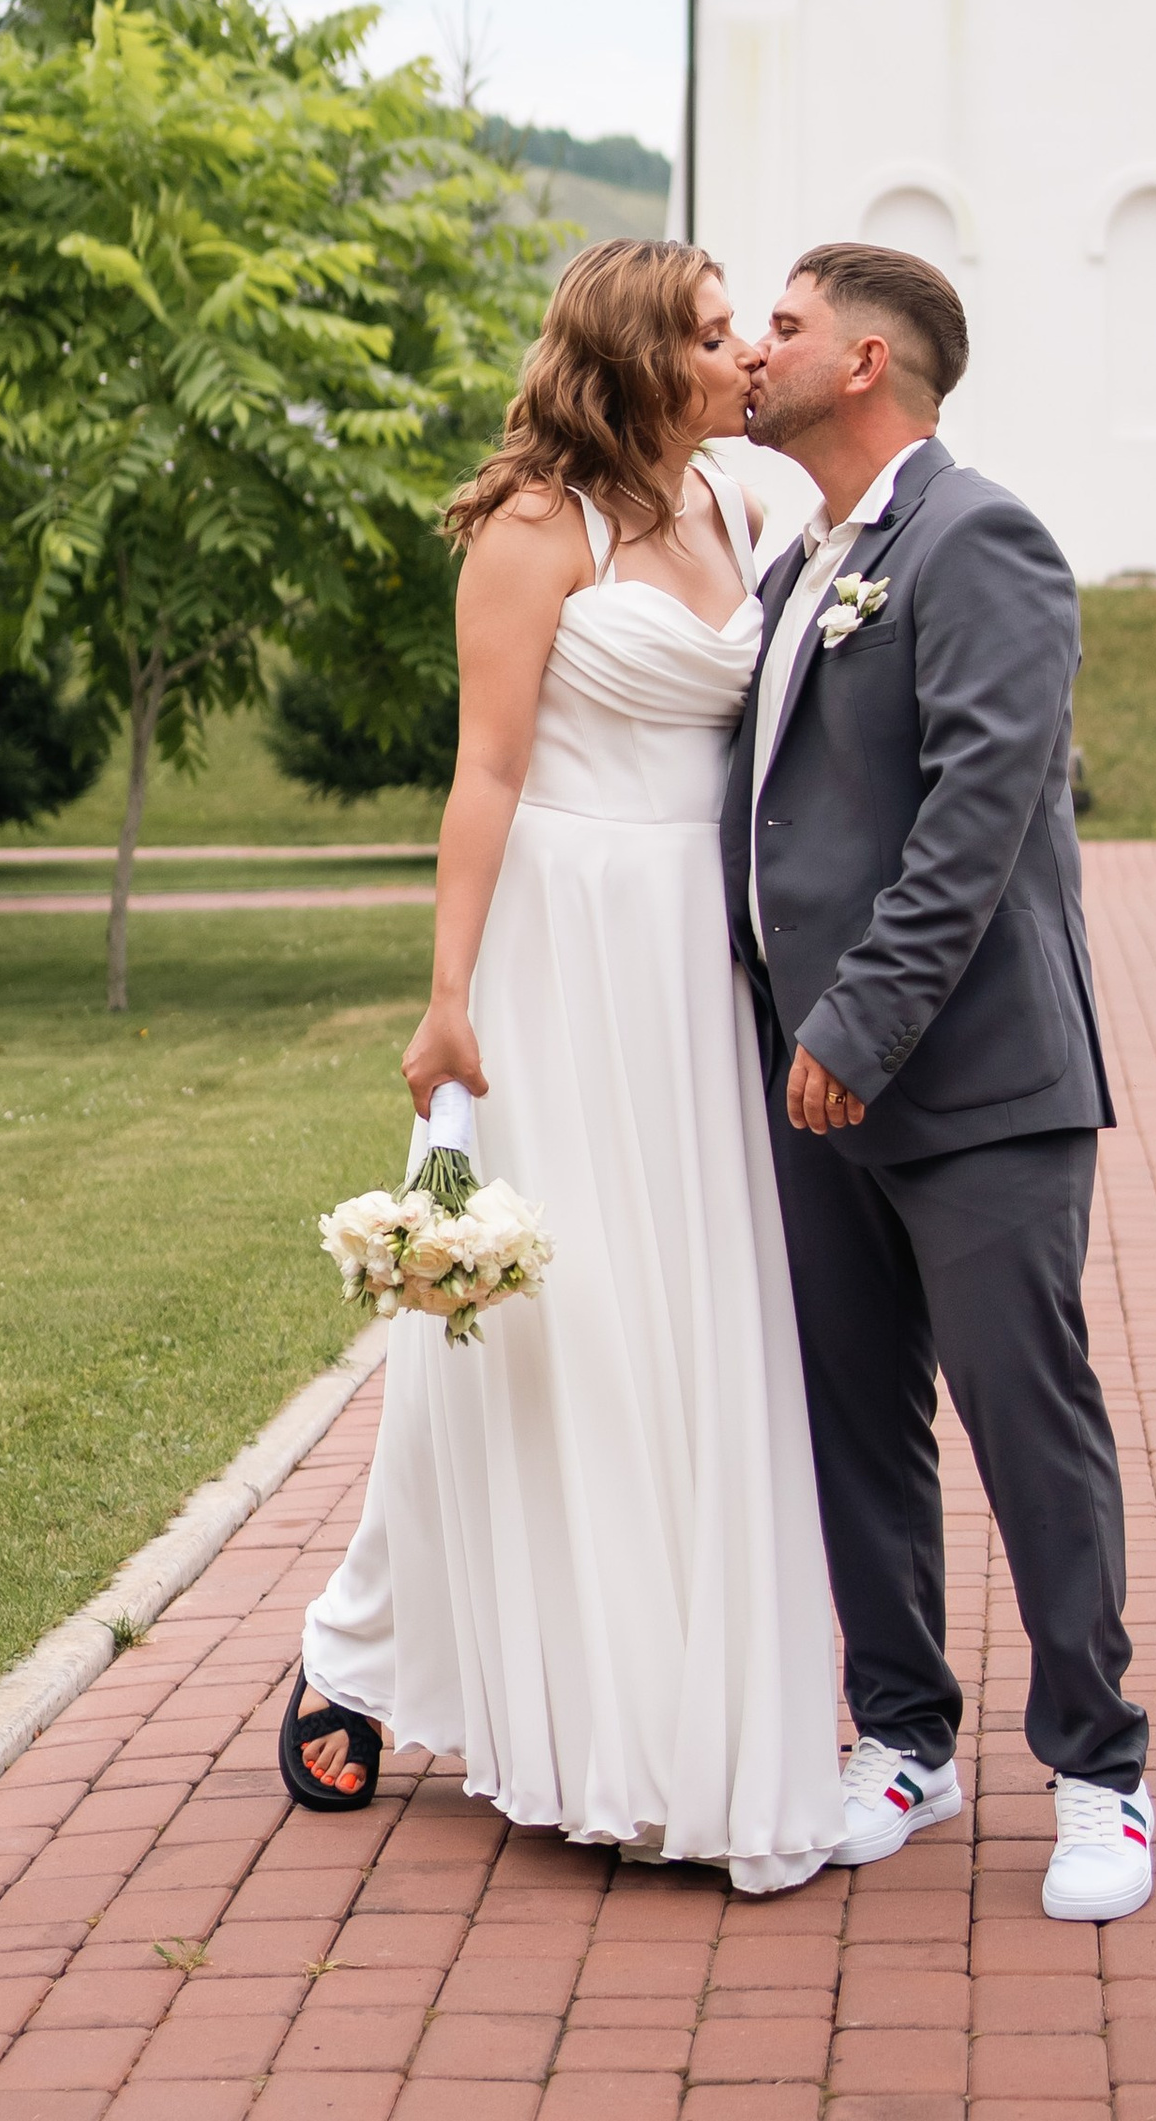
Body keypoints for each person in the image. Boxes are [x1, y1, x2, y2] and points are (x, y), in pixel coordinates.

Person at [282, 239, 846, 1895]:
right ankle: (366, 1654)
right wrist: (448, 999)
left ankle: (683, 1699)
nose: (745, 350)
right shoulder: (536, 529)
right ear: (635, 354)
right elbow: (485, 774)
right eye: (712, 327)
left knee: (695, 1314)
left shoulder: (741, 512)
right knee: (547, 1326)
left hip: (702, 958)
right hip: (565, 947)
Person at [729, 242, 1154, 1923]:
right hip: (810, 1083)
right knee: (856, 1424)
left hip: (969, 1079)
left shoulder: (981, 539)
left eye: (782, 322)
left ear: (866, 362)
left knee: (1024, 1419)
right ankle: (904, 1738)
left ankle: (1103, 1771)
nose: (753, 347)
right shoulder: (791, 565)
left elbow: (977, 813)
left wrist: (855, 1022)